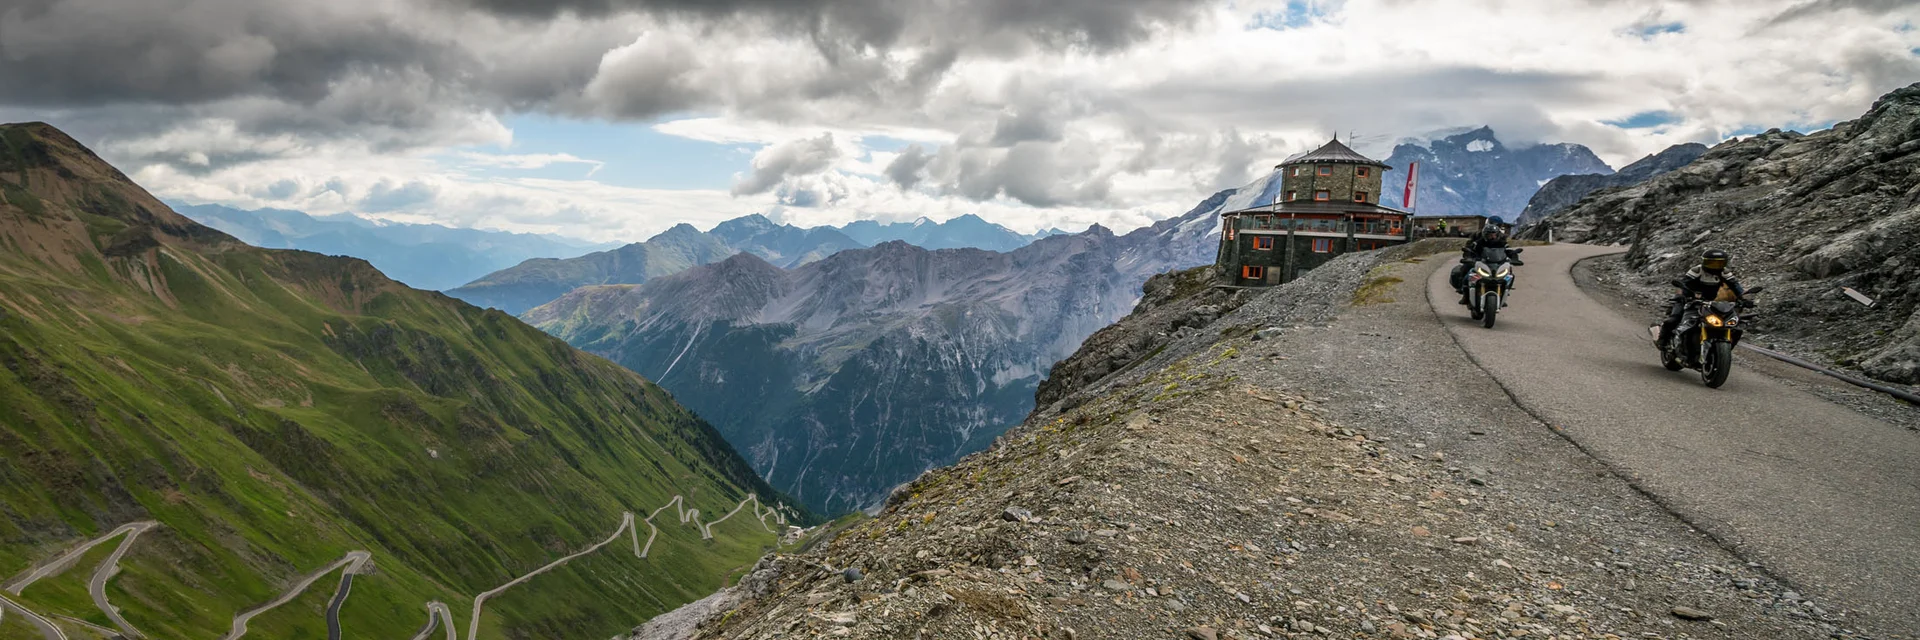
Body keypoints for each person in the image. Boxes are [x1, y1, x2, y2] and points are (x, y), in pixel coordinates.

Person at [1657, 249, 1747, 350]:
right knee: (1673, 320)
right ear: (1704, 262)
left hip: (1709, 302)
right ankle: (1662, 341)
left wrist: (1744, 299)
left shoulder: (1724, 272)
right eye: (1712, 263)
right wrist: (1680, 296)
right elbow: (1682, 284)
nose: (1715, 266)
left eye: (1719, 263)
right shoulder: (1697, 270)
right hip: (1688, 299)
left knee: (1732, 324)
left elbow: (1736, 286)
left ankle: (1723, 346)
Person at [1453, 225, 1522, 304]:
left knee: (1509, 275)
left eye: (1494, 234)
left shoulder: (1501, 243)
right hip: (1481, 263)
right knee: (1468, 274)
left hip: (1497, 264)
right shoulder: (1478, 243)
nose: (1492, 237)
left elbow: (1508, 250)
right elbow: (1470, 250)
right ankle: (1465, 295)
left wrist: (1514, 256)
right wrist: (1468, 256)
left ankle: (1504, 292)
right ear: (1485, 235)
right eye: (1490, 235)